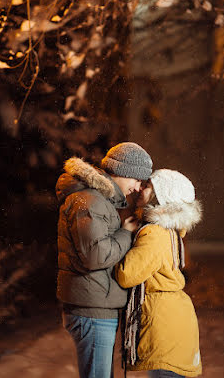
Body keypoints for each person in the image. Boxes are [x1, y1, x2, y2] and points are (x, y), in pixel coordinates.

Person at [55, 142, 153, 378]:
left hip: (95, 304)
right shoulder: (91, 201)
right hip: (92, 310)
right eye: (137, 180)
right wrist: (125, 233)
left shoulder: (97, 199)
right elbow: (95, 256)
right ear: (123, 171)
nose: (139, 188)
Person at [115, 169, 203, 378]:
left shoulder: (154, 233)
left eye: (147, 186)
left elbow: (127, 275)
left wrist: (122, 238)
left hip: (164, 326)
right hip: (173, 320)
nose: (140, 188)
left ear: (160, 196)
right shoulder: (169, 231)